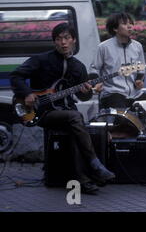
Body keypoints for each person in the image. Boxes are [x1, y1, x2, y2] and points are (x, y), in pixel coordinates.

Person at [10, 23, 115, 194]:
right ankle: (95, 164)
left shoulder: (78, 67)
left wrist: (87, 91)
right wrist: (27, 93)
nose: (63, 43)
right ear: (54, 42)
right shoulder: (41, 60)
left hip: (66, 113)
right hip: (42, 113)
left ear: (73, 40)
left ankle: (84, 181)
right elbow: (16, 76)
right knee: (75, 117)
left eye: (67, 38)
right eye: (59, 39)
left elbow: (83, 97)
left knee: (75, 128)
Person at [90, 12, 146, 110]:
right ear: (115, 28)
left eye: (130, 23)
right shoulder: (103, 47)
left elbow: (141, 68)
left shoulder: (137, 46)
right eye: (125, 24)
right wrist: (96, 84)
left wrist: (139, 80)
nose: (129, 26)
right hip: (112, 94)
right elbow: (94, 69)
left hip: (135, 94)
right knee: (125, 118)